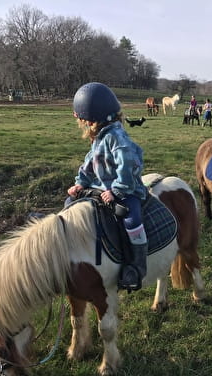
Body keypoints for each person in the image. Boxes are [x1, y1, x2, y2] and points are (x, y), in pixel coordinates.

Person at [67, 82, 148, 290]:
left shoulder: (116, 137)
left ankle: (135, 267)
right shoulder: (99, 138)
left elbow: (127, 165)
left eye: (84, 120)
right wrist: (79, 184)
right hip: (100, 189)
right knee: (69, 204)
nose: (83, 124)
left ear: (93, 119)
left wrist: (118, 191)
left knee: (132, 219)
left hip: (125, 190)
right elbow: (89, 163)